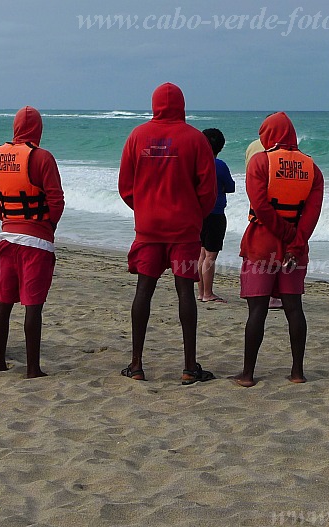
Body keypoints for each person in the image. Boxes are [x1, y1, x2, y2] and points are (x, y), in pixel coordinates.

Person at [118, 82, 218, 383]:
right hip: (184, 230)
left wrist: (144, 209)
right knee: (185, 290)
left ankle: (136, 365)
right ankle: (189, 367)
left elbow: (126, 186)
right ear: (181, 105)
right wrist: (193, 216)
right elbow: (208, 190)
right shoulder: (195, 139)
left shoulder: (137, 136)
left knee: (143, 291)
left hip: (148, 228)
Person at [232, 112, 324, 387]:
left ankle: (248, 374)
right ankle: (297, 372)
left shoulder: (260, 162)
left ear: (267, 135)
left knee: (257, 310)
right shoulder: (312, 167)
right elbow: (312, 213)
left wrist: (283, 234)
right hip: (296, 248)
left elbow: (260, 205)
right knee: (294, 308)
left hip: (262, 243)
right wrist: (295, 243)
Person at [0, 106, 65, 379]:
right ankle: (33, 369)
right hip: (37, 243)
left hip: (6, 240)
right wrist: (48, 225)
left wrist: (9, 220)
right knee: (33, 306)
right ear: (38, 130)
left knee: (4, 303)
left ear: (15, 127)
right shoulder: (42, 157)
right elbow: (56, 201)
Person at [245, 138, 284, 311]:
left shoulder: (252, 146)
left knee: (258, 251)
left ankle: (258, 290)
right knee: (275, 250)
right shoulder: (280, 151)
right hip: (278, 203)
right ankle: (273, 295)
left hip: (255, 198)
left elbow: (248, 170)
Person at [197, 128, 235, 303]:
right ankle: (208, 293)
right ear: (220, 147)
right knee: (210, 256)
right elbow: (231, 186)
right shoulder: (219, 165)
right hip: (215, 213)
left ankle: (201, 292)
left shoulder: (195, 163)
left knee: (202, 254)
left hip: (198, 213)